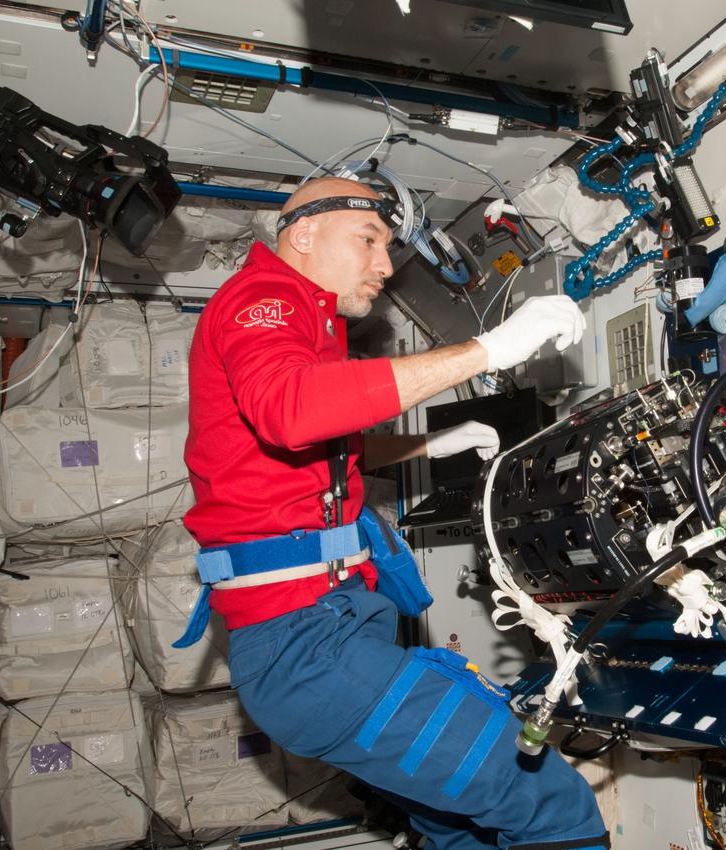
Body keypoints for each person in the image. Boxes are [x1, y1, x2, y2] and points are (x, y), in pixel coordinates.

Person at [180, 175, 609, 850]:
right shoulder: (260, 301)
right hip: (307, 647)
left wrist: (432, 443)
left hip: (336, 628)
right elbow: (293, 413)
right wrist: (489, 348)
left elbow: (321, 448)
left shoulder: (313, 323)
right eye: (370, 239)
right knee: (552, 808)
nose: (386, 264)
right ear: (305, 232)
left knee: (459, 826)